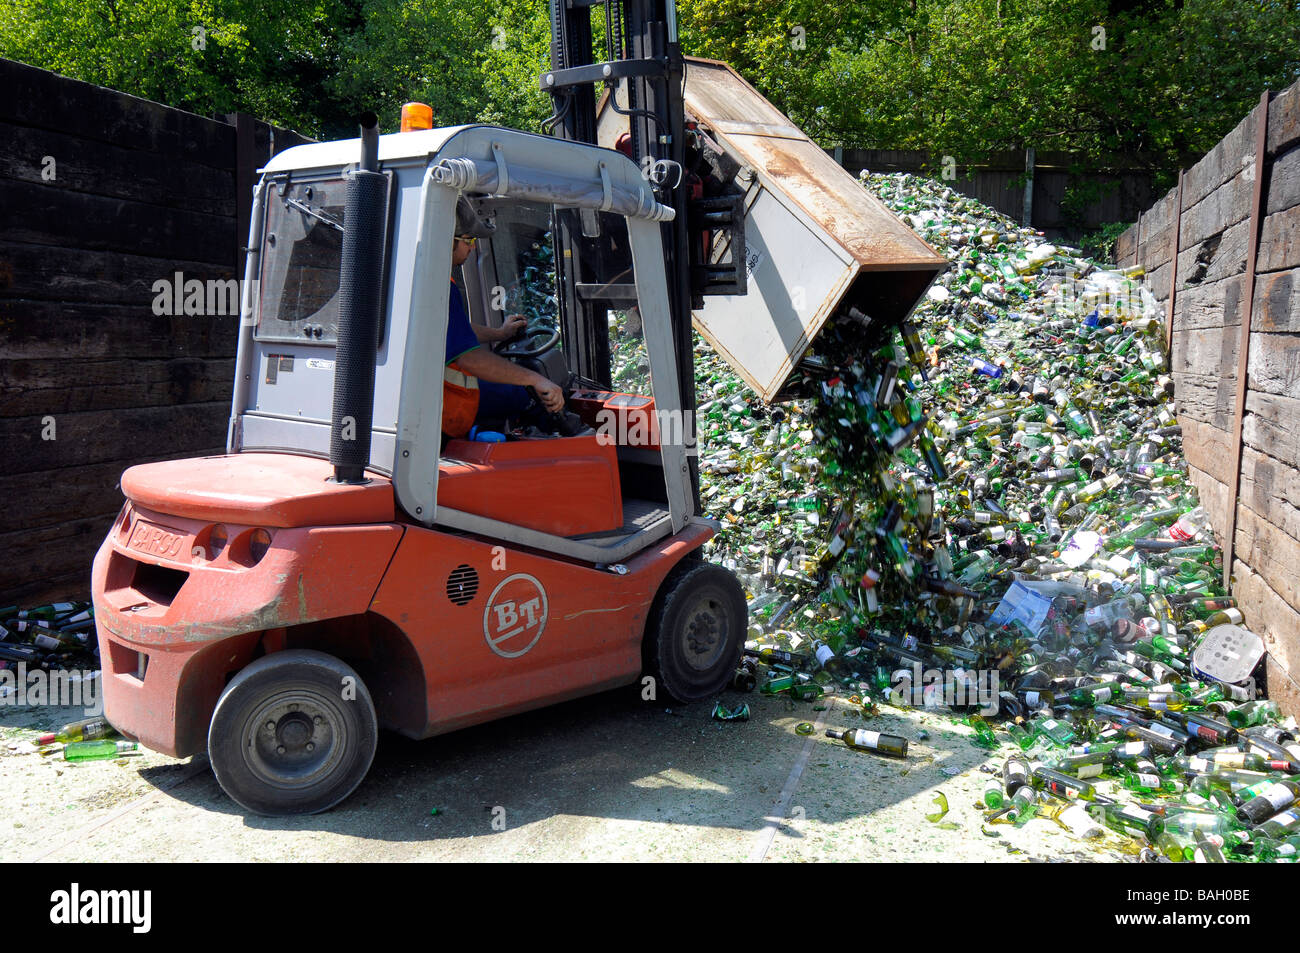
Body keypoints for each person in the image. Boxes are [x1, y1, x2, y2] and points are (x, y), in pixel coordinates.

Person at [442, 197, 564, 438]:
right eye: (469, 240)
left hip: (438, 399)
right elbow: (470, 359)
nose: (473, 247)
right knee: (522, 395)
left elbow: (455, 331)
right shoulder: (438, 286)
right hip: (450, 404)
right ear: (448, 241)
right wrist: (535, 379)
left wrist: (499, 334)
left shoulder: (417, 278)